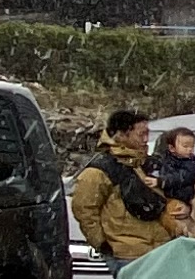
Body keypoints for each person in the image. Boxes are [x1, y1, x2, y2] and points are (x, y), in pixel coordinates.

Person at [71, 107, 177, 264]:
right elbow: (84, 209)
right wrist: (102, 244)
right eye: (141, 134)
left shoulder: (147, 164)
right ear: (121, 134)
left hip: (159, 250)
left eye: (148, 134)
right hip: (125, 254)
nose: (146, 139)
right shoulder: (101, 169)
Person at [149, 124, 195, 239]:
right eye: (185, 146)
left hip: (185, 235)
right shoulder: (150, 169)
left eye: (192, 146)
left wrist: (189, 209)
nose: (189, 149)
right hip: (152, 238)